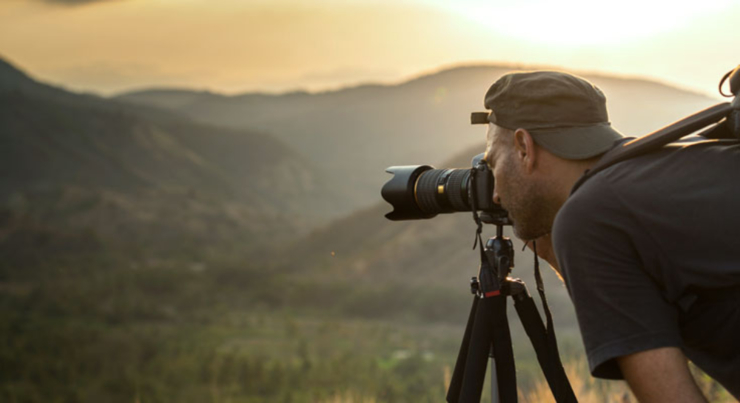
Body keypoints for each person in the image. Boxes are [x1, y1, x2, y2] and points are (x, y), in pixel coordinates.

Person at [475, 71, 740, 401]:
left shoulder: (592, 217)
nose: (496, 194)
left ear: (523, 147)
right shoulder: (677, 165)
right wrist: (556, 249)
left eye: (493, 163)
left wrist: (574, 233)